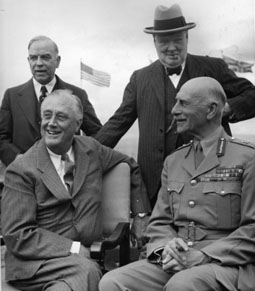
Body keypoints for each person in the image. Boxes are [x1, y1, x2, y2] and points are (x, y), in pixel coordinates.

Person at [99, 77, 255, 291]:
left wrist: (202, 256)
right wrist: (165, 250)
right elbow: (160, 222)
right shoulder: (174, 161)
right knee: (112, 282)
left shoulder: (247, 158)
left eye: (183, 103)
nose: (173, 110)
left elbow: (252, 229)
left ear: (211, 110)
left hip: (226, 263)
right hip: (177, 259)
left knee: (182, 285)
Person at [94, 4, 255, 208]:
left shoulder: (213, 67)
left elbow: (252, 95)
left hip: (210, 183)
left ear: (187, 38)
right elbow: (117, 123)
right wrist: (83, 153)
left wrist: (224, 109)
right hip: (154, 188)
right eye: (164, 41)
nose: (172, 47)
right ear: (154, 42)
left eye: (178, 39)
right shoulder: (139, 78)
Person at [1, 89, 151, 291]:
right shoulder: (21, 170)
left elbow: (129, 164)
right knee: (86, 272)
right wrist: (73, 248)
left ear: (78, 124)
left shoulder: (91, 149)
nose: (51, 123)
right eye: (47, 116)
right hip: (36, 263)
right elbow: (17, 234)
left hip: (84, 261)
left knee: (80, 275)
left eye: (61, 117)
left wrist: (141, 214)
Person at [0, 35, 102, 167]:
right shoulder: (11, 95)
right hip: (24, 177)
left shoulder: (78, 95)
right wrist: (18, 159)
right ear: (28, 61)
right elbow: (2, 137)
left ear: (57, 61)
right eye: (33, 58)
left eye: (45, 57)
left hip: (66, 177)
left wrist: (80, 159)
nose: (39, 63)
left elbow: (97, 134)